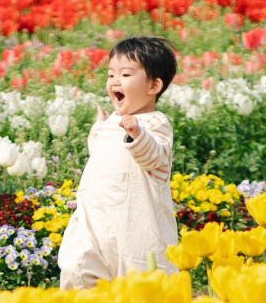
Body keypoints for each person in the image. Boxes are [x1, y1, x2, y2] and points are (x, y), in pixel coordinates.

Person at [58, 35, 179, 289]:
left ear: (154, 86)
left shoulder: (155, 123)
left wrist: (138, 134)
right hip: (95, 223)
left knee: (136, 289)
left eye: (125, 75)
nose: (114, 81)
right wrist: (99, 127)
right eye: (111, 74)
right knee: (76, 271)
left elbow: (155, 157)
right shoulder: (113, 121)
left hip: (134, 228)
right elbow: (100, 155)